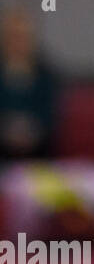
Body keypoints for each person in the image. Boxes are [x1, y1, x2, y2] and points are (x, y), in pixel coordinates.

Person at [0, 8, 60, 162]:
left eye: (23, 37)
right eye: (13, 36)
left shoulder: (45, 73)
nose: (18, 42)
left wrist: (31, 131)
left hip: (38, 149)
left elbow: (50, 112)